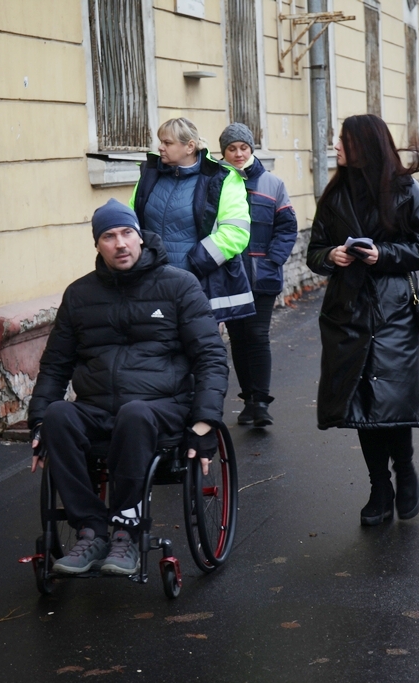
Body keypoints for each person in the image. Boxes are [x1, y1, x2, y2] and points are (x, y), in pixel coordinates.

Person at [27, 200, 228, 576]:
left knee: (134, 414)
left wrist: (205, 424)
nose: (120, 243)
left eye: (126, 233)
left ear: (140, 237)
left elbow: (211, 359)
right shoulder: (79, 295)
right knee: (58, 415)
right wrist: (38, 421)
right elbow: (56, 364)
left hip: (161, 407)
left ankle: (125, 533)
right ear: (97, 245)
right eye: (109, 236)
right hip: (97, 407)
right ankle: (91, 529)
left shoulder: (179, 286)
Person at [306, 114, 419, 526]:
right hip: (347, 310)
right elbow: (315, 250)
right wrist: (332, 256)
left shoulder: (404, 189)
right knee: (362, 400)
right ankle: (379, 486)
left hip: (393, 309)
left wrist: (385, 255)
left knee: (389, 398)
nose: (336, 146)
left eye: (343, 140)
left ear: (364, 143)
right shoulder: (334, 193)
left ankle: (406, 468)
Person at [130, 117, 254, 322]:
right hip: (150, 281)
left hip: (197, 284)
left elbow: (236, 232)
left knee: (197, 347)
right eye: (160, 141)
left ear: (189, 147)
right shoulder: (150, 174)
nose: (160, 148)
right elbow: (132, 221)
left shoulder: (222, 178)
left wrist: (195, 263)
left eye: (167, 143)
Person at [219, 123, 299, 428]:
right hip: (230, 275)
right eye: (231, 148)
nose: (238, 154)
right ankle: (248, 401)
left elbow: (287, 227)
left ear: (251, 149)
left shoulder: (272, 184)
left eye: (243, 147)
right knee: (238, 337)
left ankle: (262, 402)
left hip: (262, 275)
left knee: (257, 334)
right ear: (223, 152)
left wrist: (273, 261)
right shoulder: (218, 182)